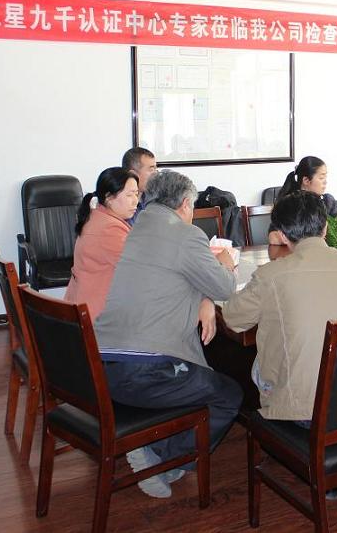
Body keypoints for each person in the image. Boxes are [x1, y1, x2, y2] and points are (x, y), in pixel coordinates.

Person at [94, 170, 242, 499]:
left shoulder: (137, 228)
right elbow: (225, 287)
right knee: (230, 395)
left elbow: (172, 277)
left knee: (202, 373)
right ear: (186, 204)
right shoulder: (186, 235)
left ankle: (153, 442)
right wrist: (227, 263)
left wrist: (204, 298)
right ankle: (164, 458)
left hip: (102, 365)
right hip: (145, 373)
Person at [223, 191, 337, 423]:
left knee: (260, 359)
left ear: (282, 235)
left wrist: (226, 271)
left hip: (304, 413)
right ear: (325, 228)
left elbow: (233, 318)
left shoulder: (270, 275)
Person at [63, 167, 139, 319]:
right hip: (95, 318)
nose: (135, 201)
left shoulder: (97, 216)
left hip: (82, 308)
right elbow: (141, 268)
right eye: (129, 195)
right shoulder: (109, 230)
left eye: (137, 194)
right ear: (109, 197)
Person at [268, 155, 337, 245]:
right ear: (306, 180)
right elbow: (273, 238)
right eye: (321, 178)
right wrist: (314, 238)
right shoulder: (289, 204)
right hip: (296, 252)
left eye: (325, 177)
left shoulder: (328, 201)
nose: (325, 182)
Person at [121, 146, 158, 224]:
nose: (156, 174)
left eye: (155, 169)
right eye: (151, 169)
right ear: (133, 174)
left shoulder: (153, 199)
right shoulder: (120, 204)